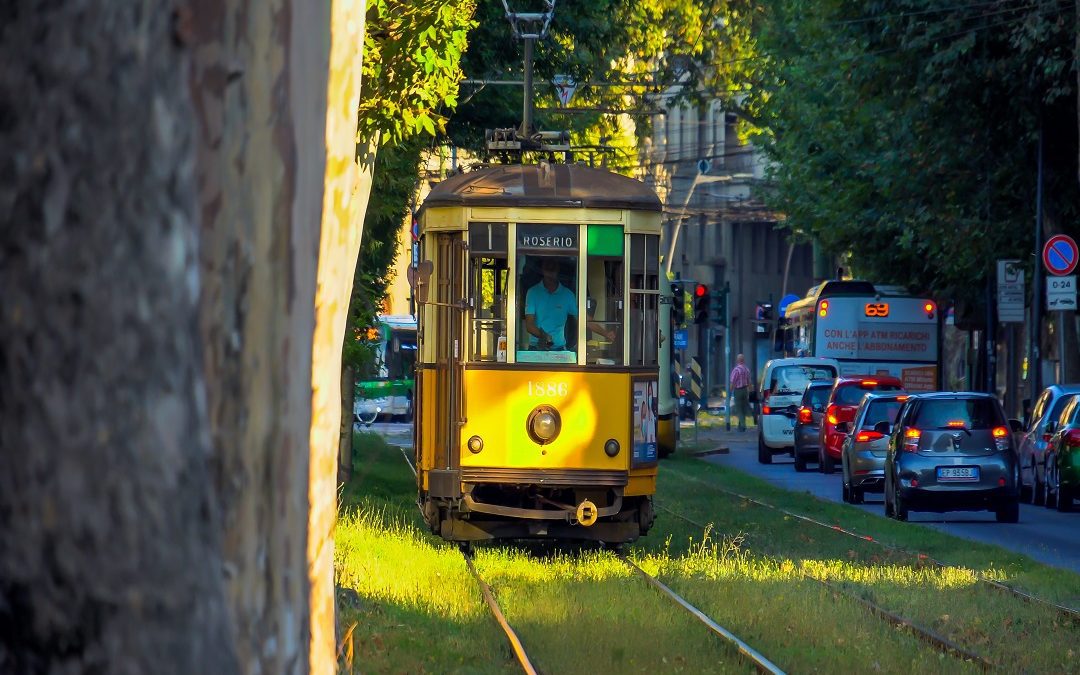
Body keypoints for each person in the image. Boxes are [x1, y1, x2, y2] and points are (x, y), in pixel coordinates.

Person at [524, 257, 615, 349]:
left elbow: (585, 320)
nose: (550, 273)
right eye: (547, 268)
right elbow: (529, 325)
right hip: (536, 347)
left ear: (558, 269)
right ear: (542, 270)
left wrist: (607, 334)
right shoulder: (533, 292)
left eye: (553, 268)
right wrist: (544, 336)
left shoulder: (567, 295)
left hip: (558, 349)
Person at [729, 353, 752, 432]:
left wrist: (730, 392)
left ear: (738, 360)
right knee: (743, 408)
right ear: (743, 360)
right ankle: (740, 426)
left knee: (739, 409)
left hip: (738, 391)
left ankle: (743, 425)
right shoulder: (746, 369)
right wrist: (751, 391)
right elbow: (749, 382)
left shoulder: (736, 370)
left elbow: (732, 382)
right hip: (745, 390)